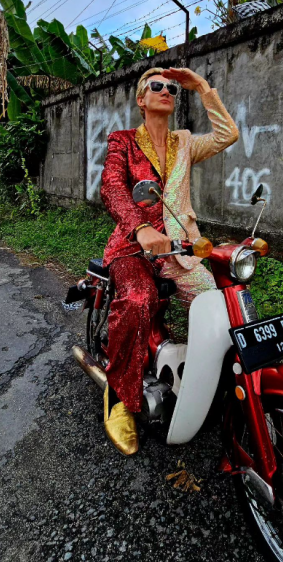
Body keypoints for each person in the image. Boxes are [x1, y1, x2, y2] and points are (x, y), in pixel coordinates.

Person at [99, 66, 239, 455]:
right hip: (134, 246)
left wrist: (201, 87)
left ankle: (202, 384)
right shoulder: (123, 141)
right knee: (139, 299)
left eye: (173, 88)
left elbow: (228, 135)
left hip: (180, 250)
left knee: (218, 310)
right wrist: (140, 229)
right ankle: (119, 399)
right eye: (156, 86)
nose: (166, 91)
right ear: (142, 100)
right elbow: (111, 187)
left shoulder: (184, 142)